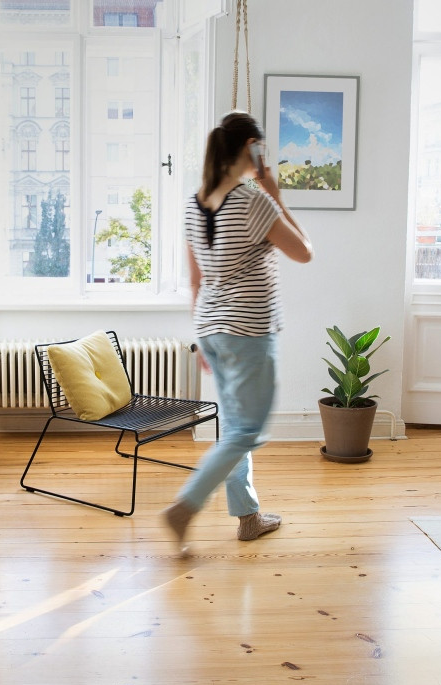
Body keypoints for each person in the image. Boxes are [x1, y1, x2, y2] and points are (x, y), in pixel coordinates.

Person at [163, 111, 313, 551]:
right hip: (248, 330)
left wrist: (201, 337)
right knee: (247, 431)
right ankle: (185, 506)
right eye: (260, 149)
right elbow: (304, 252)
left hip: (212, 327)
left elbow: (195, 280)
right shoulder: (253, 201)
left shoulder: (196, 202)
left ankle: (248, 517)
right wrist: (277, 196)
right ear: (251, 147)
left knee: (233, 426)